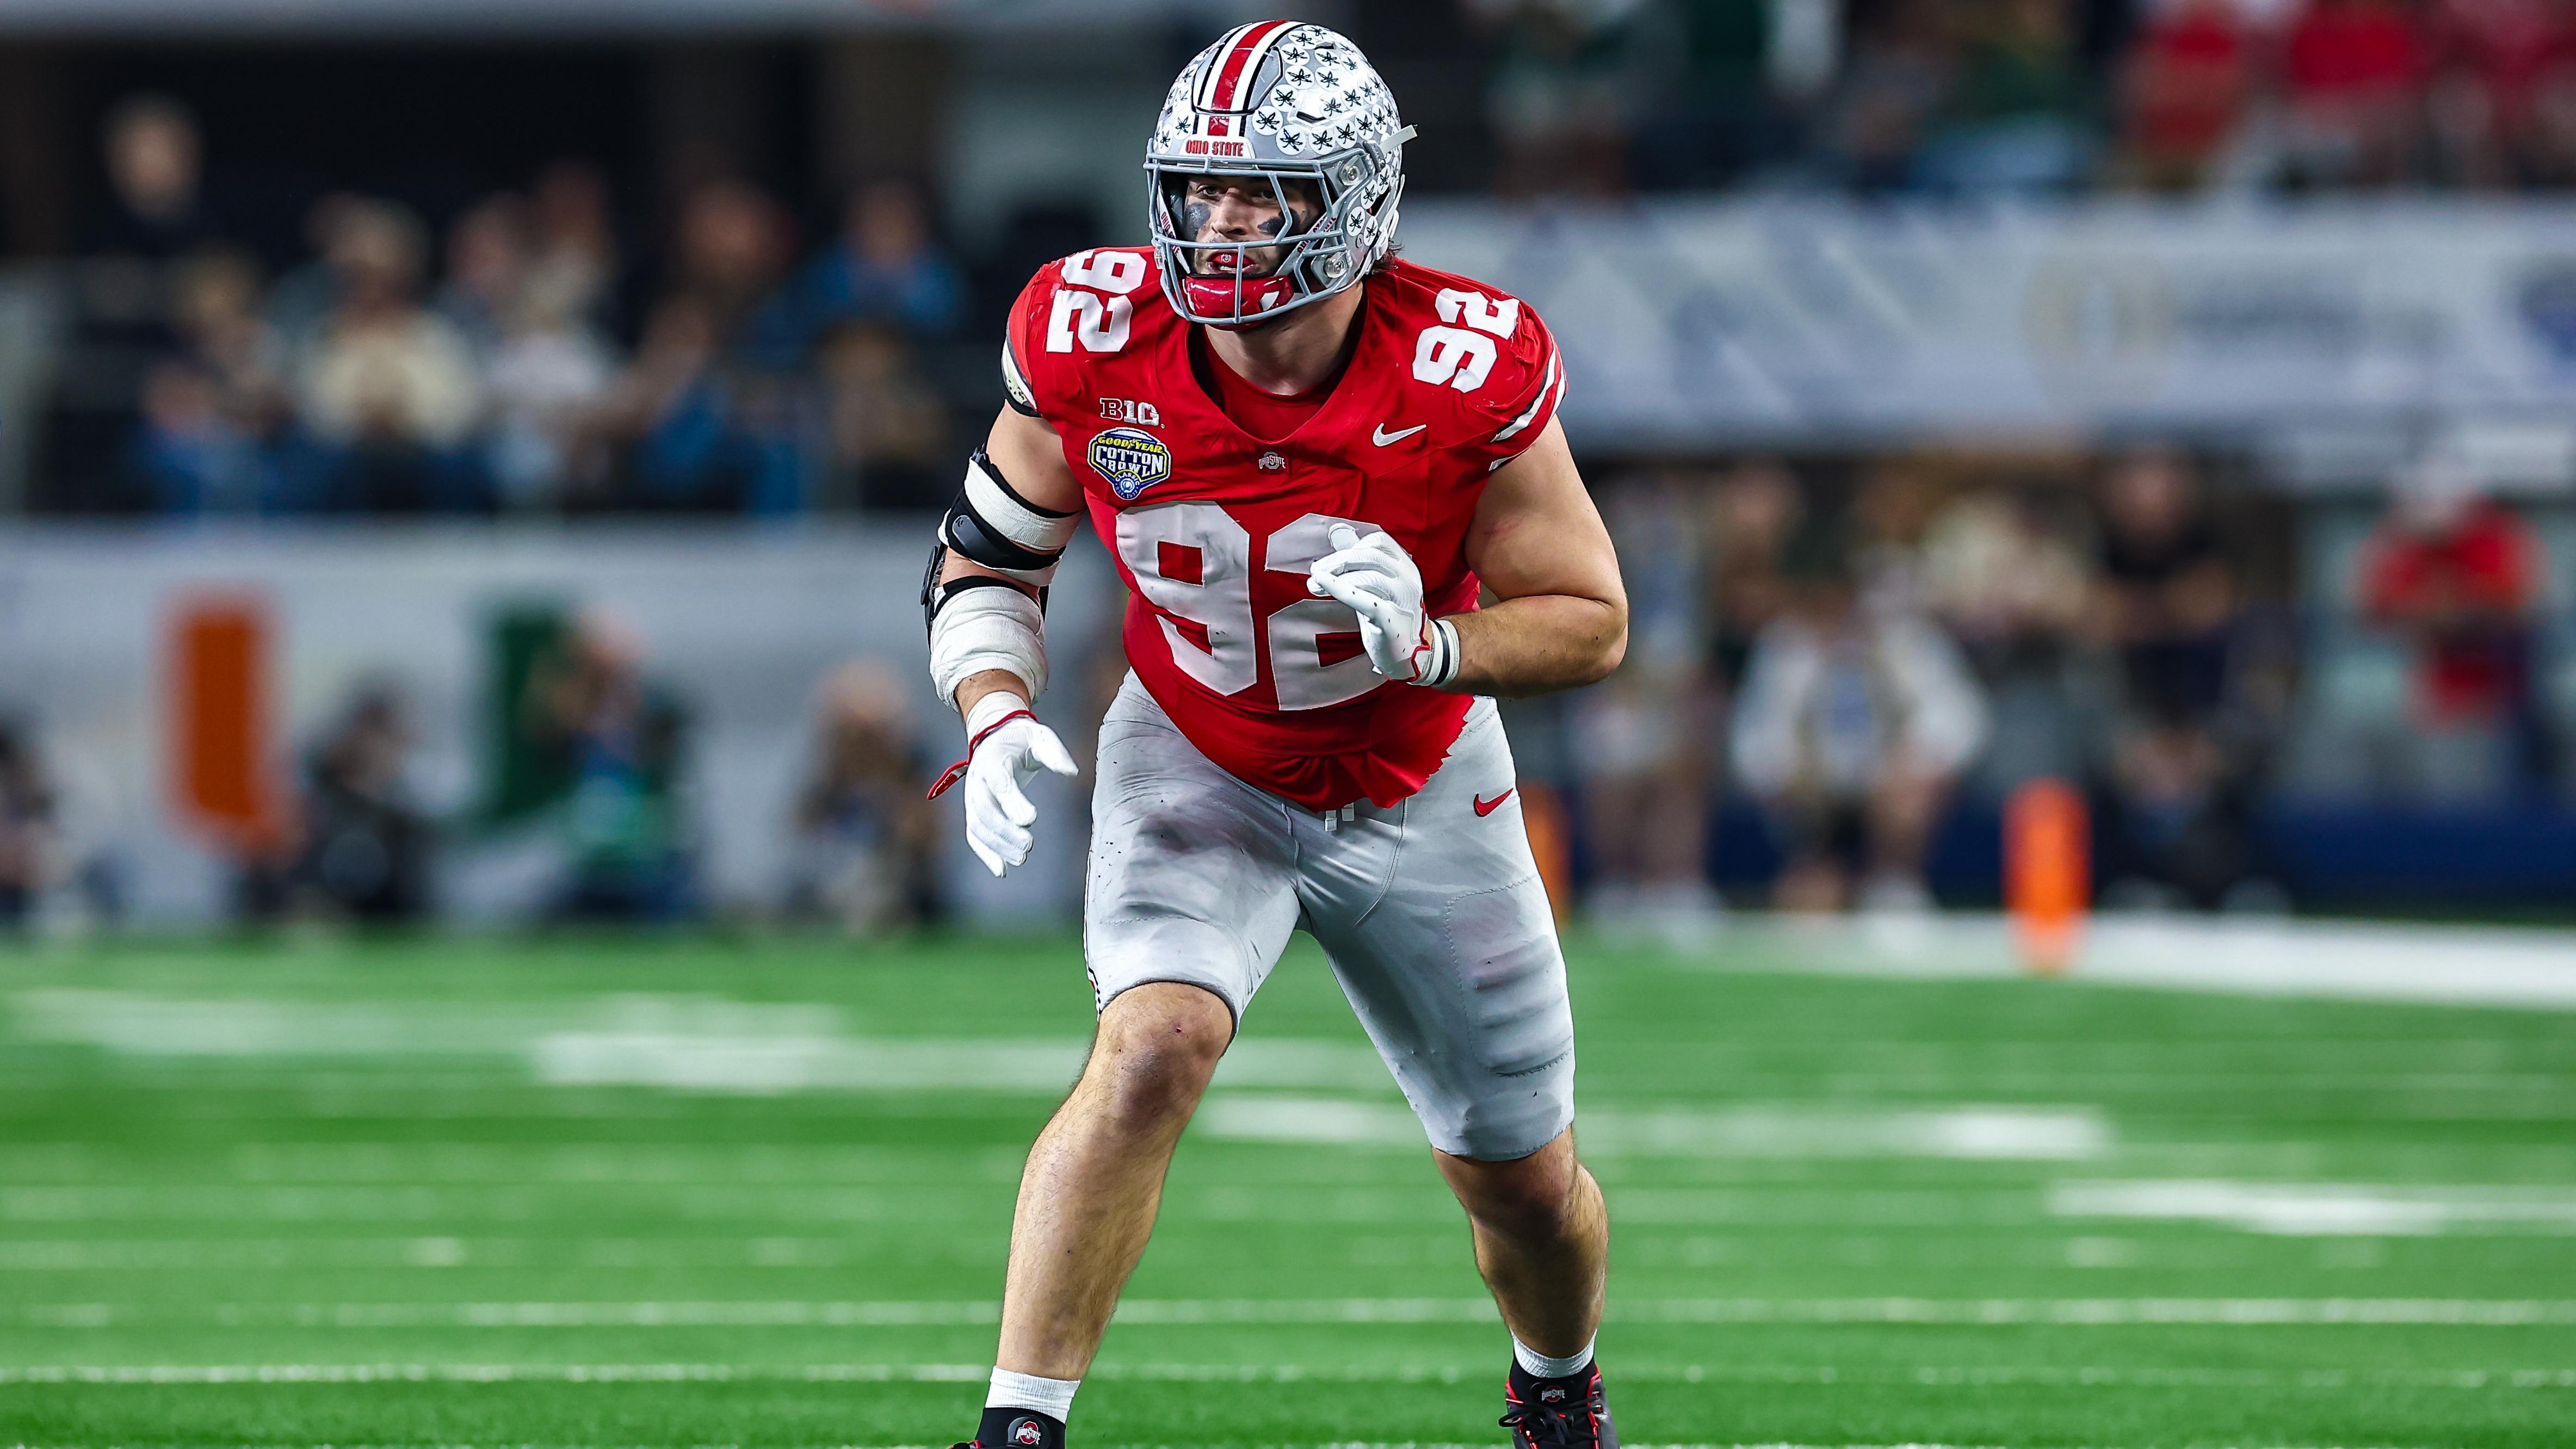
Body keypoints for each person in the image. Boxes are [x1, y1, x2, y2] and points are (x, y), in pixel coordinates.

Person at [919, 23, 1627, 1449]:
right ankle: (1014, 1428)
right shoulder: (1090, 337)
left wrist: (1435, 642)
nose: (1224, 226)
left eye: (1269, 194)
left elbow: (1591, 618)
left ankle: (1557, 1386)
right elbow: (989, 562)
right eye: (1201, 192)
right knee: (1152, 1046)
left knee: (1525, 1186)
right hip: (1199, 755)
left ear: (1361, 200)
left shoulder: (1460, 364)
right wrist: (991, 713)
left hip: (1422, 775)